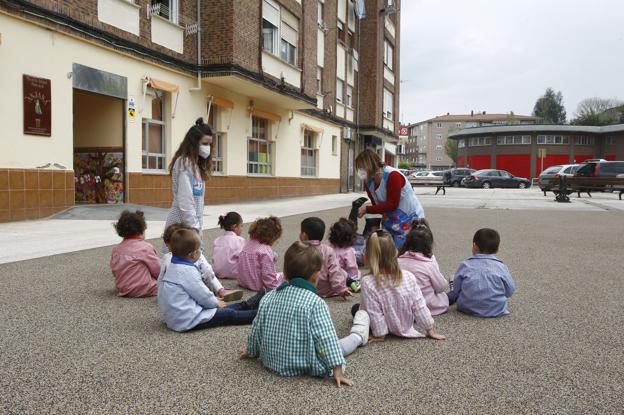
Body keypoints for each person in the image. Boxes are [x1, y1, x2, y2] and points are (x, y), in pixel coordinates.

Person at [240, 241, 370, 387]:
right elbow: (326, 337)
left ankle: (358, 335)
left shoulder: (268, 297)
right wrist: (337, 369)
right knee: (339, 345)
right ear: (316, 276)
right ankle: (359, 335)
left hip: (272, 362)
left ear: (285, 271)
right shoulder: (315, 302)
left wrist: (251, 351)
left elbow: (257, 328)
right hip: (303, 364)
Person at [157, 228, 264, 332]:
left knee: (225, 309)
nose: (200, 252)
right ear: (193, 254)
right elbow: (202, 294)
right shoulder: (187, 272)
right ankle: (263, 315)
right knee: (229, 314)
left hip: (177, 317)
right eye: (199, 250)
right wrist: (215, 303)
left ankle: (248, 304)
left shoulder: (172, 266)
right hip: (189, 320)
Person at [354, 230, 446, 341]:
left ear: (369, 256)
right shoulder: (409, 276)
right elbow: (419, 305)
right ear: (394, 252)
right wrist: (429, 328)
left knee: (356, 309)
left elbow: (374, 312)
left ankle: (377, 330)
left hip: (386, 325)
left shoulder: (368, 282)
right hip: (405, 324)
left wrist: (379, 334)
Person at [355, 149, 425, 249]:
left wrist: (367, 209)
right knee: (388, 251)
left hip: (409, 218)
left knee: (406, 250)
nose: (360, 171)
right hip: (391, 220)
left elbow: (392, 204)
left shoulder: (393, 175)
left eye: (361, 167)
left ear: (370, 165)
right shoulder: (369, 182)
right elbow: (377, 205)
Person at [161, 223, 243, 302]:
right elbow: (208, 272)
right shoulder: (196, 255)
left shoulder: (167, 258)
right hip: (198, 285)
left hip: (178, 291)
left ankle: (211, 292)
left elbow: (161, 278)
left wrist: (162, 293)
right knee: (208, 273)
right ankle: (220, 290)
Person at [163, 117, 213, 245]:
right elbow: (185, 201)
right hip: (182, 223)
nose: (208, 148)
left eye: (210, 144)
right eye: (205, 143)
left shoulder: (197, 165)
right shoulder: (184, 163)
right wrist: (194, 228)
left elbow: (198, 200)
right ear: (194, 143)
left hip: (192, 223)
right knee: (180, 260)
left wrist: (197, 227)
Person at [447, 228, 516, 317]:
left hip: (466, 307)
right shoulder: (501, 267)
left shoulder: (465, 265)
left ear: (475, 247)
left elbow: (456, 289)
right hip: (496, 309)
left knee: (453, 277)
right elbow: (510, 290)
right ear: (497, 249)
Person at [398, 220, 449, 315]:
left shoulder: (397, 261)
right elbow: (441, 287)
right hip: (427, 305)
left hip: (403, 306)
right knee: (448, 296)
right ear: (429, 244)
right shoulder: (428, 264)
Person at [110, 210, 160, 297]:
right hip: (145, 288)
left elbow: (115, 270)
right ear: (142, 230)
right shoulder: (145, 248)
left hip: (123, 288)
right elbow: (157, 270)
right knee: (170, 284)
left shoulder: (116, 249)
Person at [300, 217, 352, 299]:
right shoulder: (328, 250)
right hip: (325, 289)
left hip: (304, 289)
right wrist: (341, 289)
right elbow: (335, 272)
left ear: (304, 235)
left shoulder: (298, 249)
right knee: (341, 272)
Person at [237, 216, 283, 291]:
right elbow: (267, 275)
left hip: (243, 282)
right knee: (284, 276)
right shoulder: (265, 251)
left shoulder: (247, 244)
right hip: (258, 285)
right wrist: (275, 286)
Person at [328, 218, 361, 293]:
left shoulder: (329, 247)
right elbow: (352, 267)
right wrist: (355, 278)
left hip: (331, 276)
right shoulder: (348, 251)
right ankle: (352, 283)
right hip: (344, 277)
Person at [212, 212, 245, 279]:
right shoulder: (240, 240)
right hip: (234, 273)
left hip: (217, 272)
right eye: (241, 226)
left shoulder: (217, 240)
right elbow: (243, 258)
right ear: (235, 226)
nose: (242, 229)